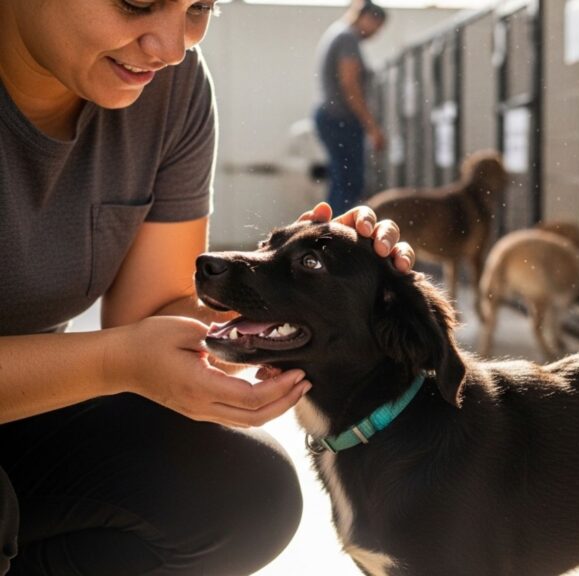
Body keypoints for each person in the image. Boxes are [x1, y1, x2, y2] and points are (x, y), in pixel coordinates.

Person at [0, 1, 415, 574]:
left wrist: (284, 284)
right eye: (138, 2)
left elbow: (149, 318)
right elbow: (123, 354)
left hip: (22, 414)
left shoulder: (170, 87)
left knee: (247, 495)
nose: (172, 47)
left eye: (199, 8)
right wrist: (114, 364)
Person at [313, 0, 388, 213]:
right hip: (340, 120)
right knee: (349, 183)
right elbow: (350, 85)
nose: (376, 34)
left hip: (332, 117)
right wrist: (372, 127)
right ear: (368, 18)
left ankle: (329, 236)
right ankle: (335, 238)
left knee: (342, 180)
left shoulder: (338, 33)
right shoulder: (348, 37)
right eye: (377, 27)